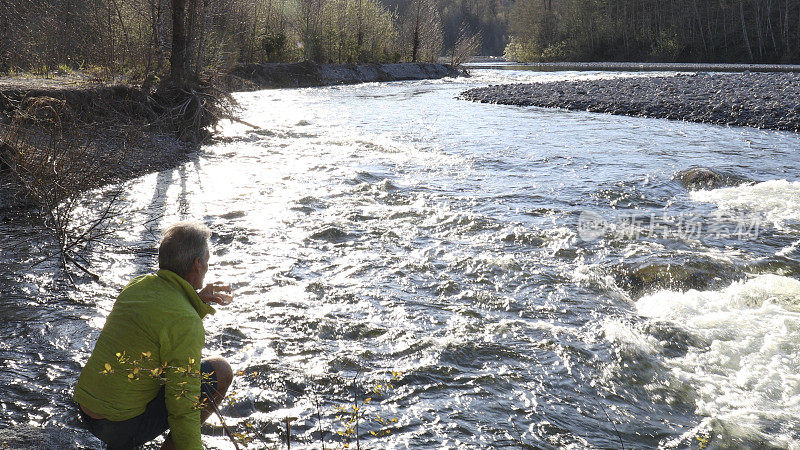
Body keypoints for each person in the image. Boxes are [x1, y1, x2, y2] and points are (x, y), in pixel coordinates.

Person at [73, 222, 234, 450]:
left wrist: (197, 300)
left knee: (152, 364)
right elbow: (183, 403)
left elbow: (163, 323)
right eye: (207, 260)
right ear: (198, 264)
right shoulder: (185, 320)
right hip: (119, 425)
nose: (207, 265)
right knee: (220, 371)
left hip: (87, 409)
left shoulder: (138, 286)